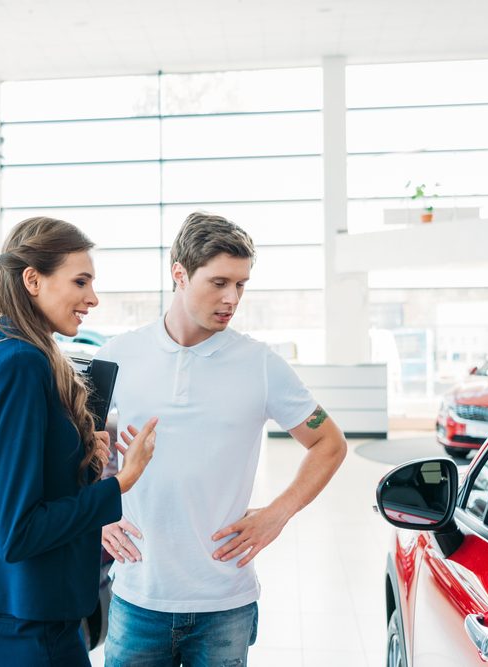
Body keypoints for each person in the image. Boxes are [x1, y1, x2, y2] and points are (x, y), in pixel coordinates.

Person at [97, 211, 348, 666]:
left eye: (241, 284)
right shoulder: (117, 356)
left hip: (224, 604)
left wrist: (278, 513)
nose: (232, 298)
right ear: (179, 273)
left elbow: (329, 443)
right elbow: (80, 447)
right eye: (219, 282)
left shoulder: (261, 365)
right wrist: (94, 513)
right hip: (138, 595)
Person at [0, 217, 158, 667]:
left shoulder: (8, 353)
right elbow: (19, 531)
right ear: (32, 279)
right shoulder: (20, 365)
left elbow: (29, 485)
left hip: (26, 609)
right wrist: (123, 481)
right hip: (28, 616)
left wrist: (84, 458)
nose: (93, 298)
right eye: (80, 281)